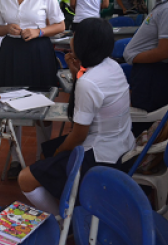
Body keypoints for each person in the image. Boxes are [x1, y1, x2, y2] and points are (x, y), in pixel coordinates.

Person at [17, 18, 135, 215]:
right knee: (48, 150)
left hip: (101, 156)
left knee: (25, 178)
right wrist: (76, 75)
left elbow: (79, 134)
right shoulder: (112, 65)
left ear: (83, 44)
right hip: (122, 144)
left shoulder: (89, 82)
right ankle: (72, 202)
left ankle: (62, 220)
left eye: (74, 37)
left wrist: (60, 153)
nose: (71, 40)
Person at [0, 0, 65, 179]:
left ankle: (44, 155)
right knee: (14, 104)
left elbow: (60, 25)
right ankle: (15, 159)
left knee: (42, 102)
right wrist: (7, 29)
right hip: (11, 53)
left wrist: (39, 31)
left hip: (38, 52)